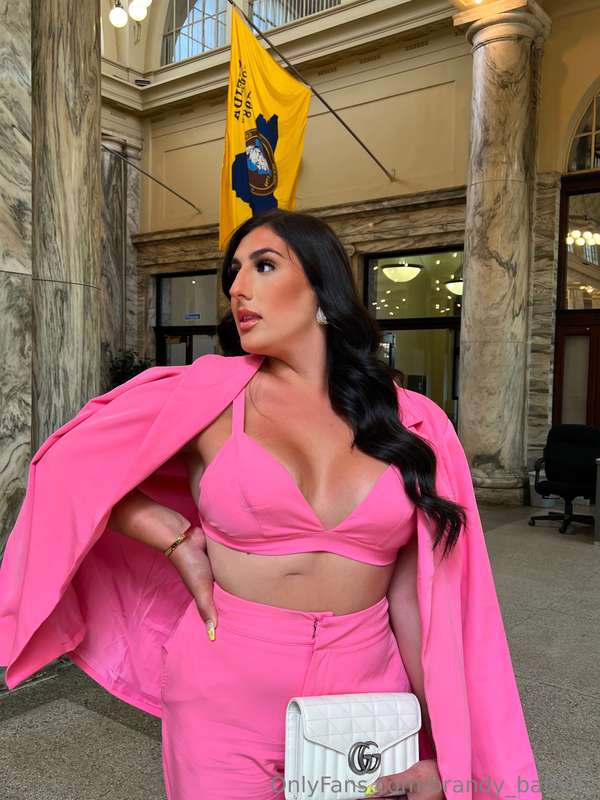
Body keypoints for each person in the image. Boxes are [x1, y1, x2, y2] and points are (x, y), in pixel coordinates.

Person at [0, 210, 543, 800]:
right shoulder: (209, 395)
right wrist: (176, 539)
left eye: (263, 266)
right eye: (233, 273)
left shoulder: (412, 422)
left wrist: (441, 748)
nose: (238, 288)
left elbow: (414, 599)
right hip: (223, 688)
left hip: (366, 689)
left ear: (322, 288)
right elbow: (66, 465)